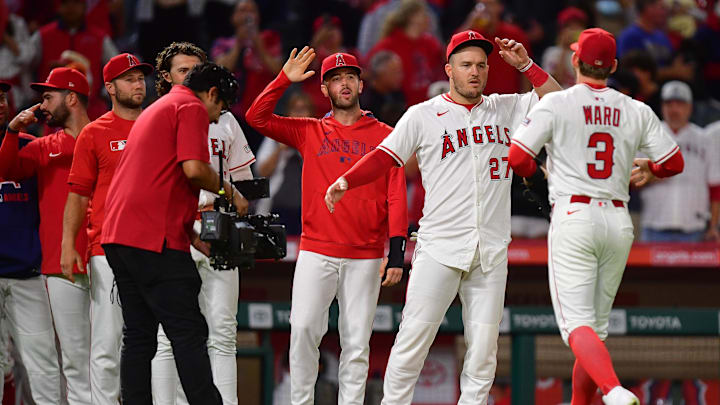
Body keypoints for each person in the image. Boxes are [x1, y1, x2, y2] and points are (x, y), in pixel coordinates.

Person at [325, 30, 561, 404]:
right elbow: (388, 156)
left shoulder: (507, 107)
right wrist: (347, 180)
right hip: (439, 249)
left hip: (491, 251)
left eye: (482, 65)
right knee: (411, 344)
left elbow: (559, 101)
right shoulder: (423, 114)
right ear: (448, 69)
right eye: (466, 65)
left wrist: (527, 66)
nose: (475, 72)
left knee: (483, 354)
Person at [508, 28, 685, 404]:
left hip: (574, 216)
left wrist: (540, 173)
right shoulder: (635, 108)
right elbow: (674, 162)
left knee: (578, 327)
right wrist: (651, 170)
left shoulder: (557, 104)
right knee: (594, 331)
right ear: (614, 66)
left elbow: (518, 158)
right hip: (618, 222)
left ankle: (614, 390)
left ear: (575, 61)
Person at [246, 48, 408, 405]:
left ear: (361, 84)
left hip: (365, 255)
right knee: (303, 329)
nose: (344, 83)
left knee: (356, 341)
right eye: (335, 78)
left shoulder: (386, 134)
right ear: (324, 89)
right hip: (316, 249)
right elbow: (256, 117)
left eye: (350, 76)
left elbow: (396, 196)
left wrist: (395, 252)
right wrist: (283, 79)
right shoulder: (310, 131)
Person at [101, 62, 246, 405]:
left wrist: (193, 237)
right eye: (220, 108)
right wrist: (230, 192)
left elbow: (157, 181)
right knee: (188, 331)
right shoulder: (191, 106)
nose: (216, 118)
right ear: (211, 93)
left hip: (120, 236)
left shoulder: (159, 108)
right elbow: (194, 169)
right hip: (152, 239)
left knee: (139, 336)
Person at [150, 41, 255, 405]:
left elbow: (244, 180)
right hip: (175, 228)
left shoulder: (225, 120)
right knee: (168, 333)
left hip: (218, 226)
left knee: (223, 331)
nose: (191, 76)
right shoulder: (160, 114)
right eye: (183, 70)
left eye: (196, 69)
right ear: (166, 76)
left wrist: (233, 209)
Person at [60, 53, 153, 404]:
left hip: (155, 249)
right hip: (107, 249)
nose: (138, 84)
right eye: (129, 79)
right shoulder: (95, 133)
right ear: (110, 87)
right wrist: (68, 245)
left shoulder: (158, 126)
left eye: (141, 77)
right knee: (107, 342)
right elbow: (78, 195)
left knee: (157, 342)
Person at [0, 67, 91, 405]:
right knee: (73, 357)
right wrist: (13, 130)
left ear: (71, 97)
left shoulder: (101, 137)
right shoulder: (40, 145)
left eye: (48, 96)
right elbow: (6, 170)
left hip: (96, 258)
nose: (42, 103)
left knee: (106, 353)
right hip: (57, 263)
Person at [0, 80, 62, 405]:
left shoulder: (30, 144)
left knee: (43, 362)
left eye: (1, 97)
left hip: (27, 272)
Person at [639, 81, 720, 242]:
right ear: (662, 106)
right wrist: (654, 175)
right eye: (669, 103)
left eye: (680, 104)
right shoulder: (647, 137)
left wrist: (713, 226)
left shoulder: (704, 139)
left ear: (690, 107)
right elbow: (629, 182)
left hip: (694, 229)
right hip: (654, 226)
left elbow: (715, 188)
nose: (674, 109)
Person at [28, 0, 119, 119]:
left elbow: (116, 68)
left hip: (91, 110)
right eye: (66, 3)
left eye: (76, 3)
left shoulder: (100, 38)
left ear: (84, 6)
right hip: (50, 112)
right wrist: (31, 94)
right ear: (58, 7)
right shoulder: (42, 35)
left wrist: (104, 93)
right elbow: (26, 65)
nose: (71, 8)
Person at [254, 91, 312, 235]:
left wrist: (303, 147)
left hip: (308, 211)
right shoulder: (275, 137)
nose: (299, 114)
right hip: (276, 209)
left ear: (311, 113)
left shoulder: (317, 138)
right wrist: (280, 149)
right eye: (295, 109)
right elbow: (261, 172)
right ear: (288, 113)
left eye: (303, 109)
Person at [457, 0, 533, 95]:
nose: (485, 9)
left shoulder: (514, 34)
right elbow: (449, 56)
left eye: (490, 4)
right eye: (481, 4)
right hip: (478, 99)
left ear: (500, 7)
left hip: (509, 99)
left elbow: (526, 68)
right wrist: (469, 24)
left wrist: (525, 98)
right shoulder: (470, 34)